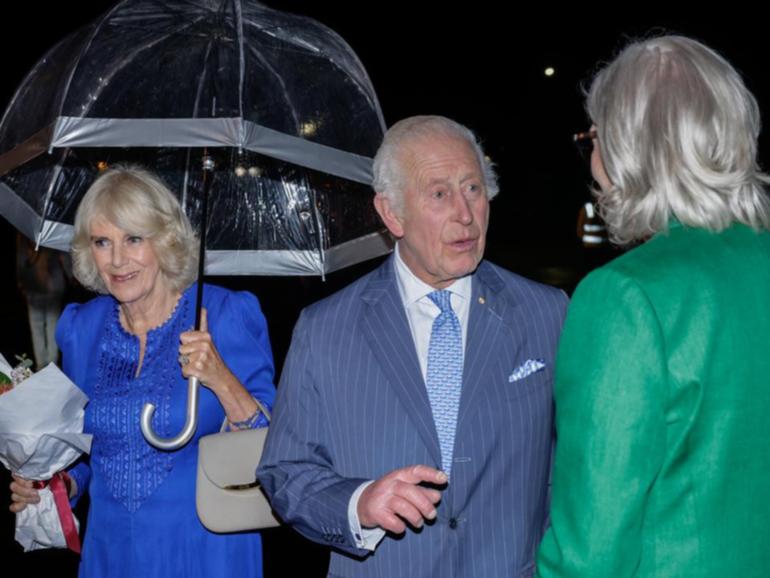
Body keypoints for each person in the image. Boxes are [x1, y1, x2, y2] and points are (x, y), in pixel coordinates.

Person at [258, 115, 568, 577]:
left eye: (473, 189)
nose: (465, 214)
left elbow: (578, 468)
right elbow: (286, 471)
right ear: (392, 213)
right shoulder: (324, 328)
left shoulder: (548, 312)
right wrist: (358, 504)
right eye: (440, 194)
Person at [536, 36, 770, 577]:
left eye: (593, 138)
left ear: (626, 147)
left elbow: (589, 557)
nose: (591, 160)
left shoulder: (625, 298)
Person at [9, 166, 276, 578]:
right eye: (102, 242)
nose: (117, 260)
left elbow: (274, 448)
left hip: (205, 553)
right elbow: (84, 451)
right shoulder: (82, 329)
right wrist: (54, 485)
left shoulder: (223, 314)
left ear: (165, 241)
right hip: (110, 552)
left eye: (134, 239)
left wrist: (221, 378)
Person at [16, 233, 70, 369]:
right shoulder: (51, 233)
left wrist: (21, 283)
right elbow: (63, 257)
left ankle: (41, 363)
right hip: (52, 285)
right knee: (52, 324)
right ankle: (52, 362)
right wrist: (70, 274)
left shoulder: (23, 234)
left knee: (36, 327)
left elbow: (20, 262)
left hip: (33, 287)